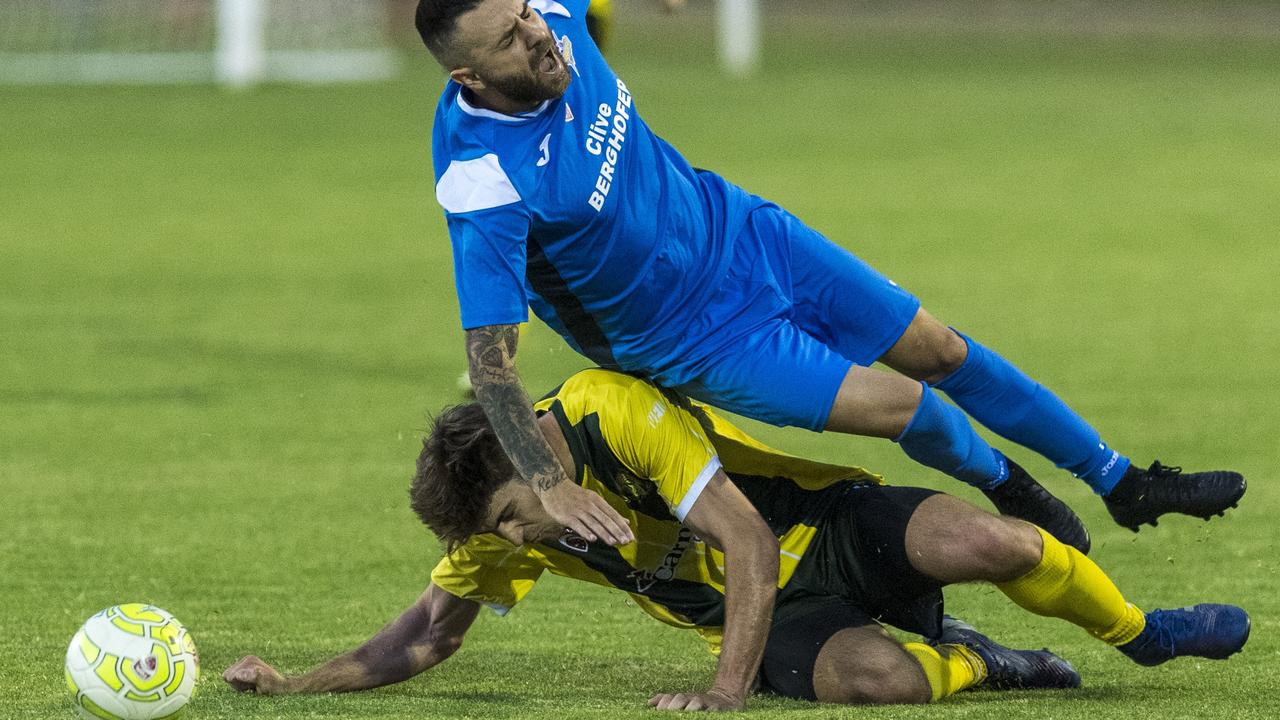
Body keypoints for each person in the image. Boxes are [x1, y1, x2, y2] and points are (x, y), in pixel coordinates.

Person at [417, 0, 1245, 553]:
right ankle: (1010, 485)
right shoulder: (484, 182)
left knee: (939, 348)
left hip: (743, 231)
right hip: (694, 339)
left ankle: (1125, 483)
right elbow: (490, 363)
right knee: (905, 404)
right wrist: (549, 482)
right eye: (510, 39)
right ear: (471, 78)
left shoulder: (551, 19)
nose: (538, 35)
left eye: (526, 10)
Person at [223, 369, 1249, 710]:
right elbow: (425, 635)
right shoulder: (514, 527)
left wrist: (724, 692)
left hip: (830, 526)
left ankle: (1142, 632)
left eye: (506, 516)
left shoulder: (604, 411)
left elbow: (746, 541)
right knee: (878, 683)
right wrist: (295, 688)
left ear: (529, 456)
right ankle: (986, 659)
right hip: (791, 620)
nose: (513, 539)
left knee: (1005, 545)